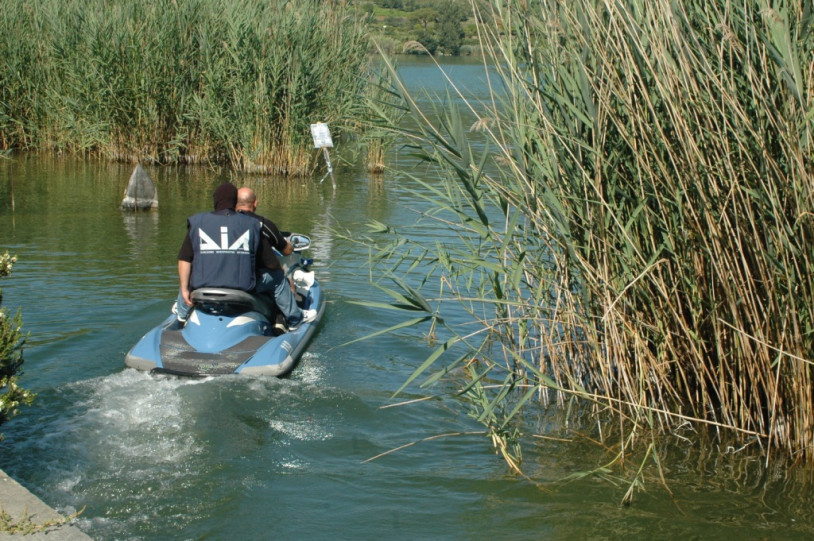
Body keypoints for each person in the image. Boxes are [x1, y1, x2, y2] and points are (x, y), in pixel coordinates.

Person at [172, 182, 315, 329]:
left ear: (215, 200)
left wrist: (184, 289)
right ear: (235, 201)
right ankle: (295, 319)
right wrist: (280, 271)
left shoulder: (197, 222)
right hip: (242, 286)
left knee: (190, 277)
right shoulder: (252, 224)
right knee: (277, 278)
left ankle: (181, 316)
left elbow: (185, 259)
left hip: (203, 286)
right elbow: (270, 262)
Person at [235, 186, 315, 328]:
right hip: (251, 281)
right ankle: (295, 319)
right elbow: (286, 251)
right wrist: (288, 244)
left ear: (235, 203)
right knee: (278, 278)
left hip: (226, 277)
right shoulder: (263, 224)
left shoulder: (225, 224)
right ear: (255, 203)